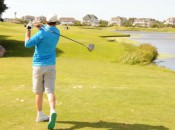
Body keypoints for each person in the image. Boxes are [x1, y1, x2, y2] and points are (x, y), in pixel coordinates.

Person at [24, 14, 60, 129]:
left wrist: (28, 30)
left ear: (46, 21)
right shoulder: (57, 31)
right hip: (51, 66)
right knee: (50, 91)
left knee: (39, 92)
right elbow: (46, 29)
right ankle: (52, 110)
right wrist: (39, 26)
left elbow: (27, 44)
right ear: (56, 22)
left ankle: (39, 114)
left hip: (38, 66)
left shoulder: (41, 33)